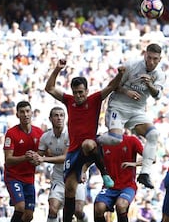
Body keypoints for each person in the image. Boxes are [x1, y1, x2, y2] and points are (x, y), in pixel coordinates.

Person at [45, 59, 125, 222]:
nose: (78, 96)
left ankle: (104, 174)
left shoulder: (94, 99)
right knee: (69, 190)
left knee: (88, 143)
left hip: (90, 148)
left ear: (87, 91)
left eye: (81, 92)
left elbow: (110, 87)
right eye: (76, 92)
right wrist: (57, 69)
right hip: (74, 152)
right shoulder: (69, 101)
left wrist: (120, 74)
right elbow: (50, 88)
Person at [97, 43, 166, 189]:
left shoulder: (159, 74)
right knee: (115, 140)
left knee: (153, 134)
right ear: (145, 55)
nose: (151, 62)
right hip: (118, 106)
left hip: (137, 111)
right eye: (149, 57)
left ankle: (145, 174)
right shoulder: (132, 65)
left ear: (160, 59)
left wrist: (150, 85)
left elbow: (157, 95)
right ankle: (96, 140)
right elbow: (113, 86)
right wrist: (126, 92)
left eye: (155, 59)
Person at [34, 107, 88, 222]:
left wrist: (43, 159)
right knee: (52, 209)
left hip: (75, 176)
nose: (59, 118)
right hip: (59, 178)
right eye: (56, 115)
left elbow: (65, 158)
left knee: (78, 211)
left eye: (61, 115)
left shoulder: (71, 134)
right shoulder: (45, 137)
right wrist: (33, 157)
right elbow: (39, 155)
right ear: (50, 118)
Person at [3, 101, 44, 222]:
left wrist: (39, 159)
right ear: (17, 115)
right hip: (13, 176)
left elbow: (43, 154)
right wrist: (25, 157)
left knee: (28, 216)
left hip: (29, 178)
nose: (25, 114)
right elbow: (8, 160)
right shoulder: (11, 133)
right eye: (22, 112)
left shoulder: (39, 133)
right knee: (20, 207)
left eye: (27, 111)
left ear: (32, 113)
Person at [94, 133, 144, 222]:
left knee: (121, 205)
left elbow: (152, 158)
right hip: (109, 186)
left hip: (128, 186)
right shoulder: (102, 141)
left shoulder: (132, 140)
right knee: (98, 207)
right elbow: (92, 158)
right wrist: (83, 171)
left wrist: (133, 164)